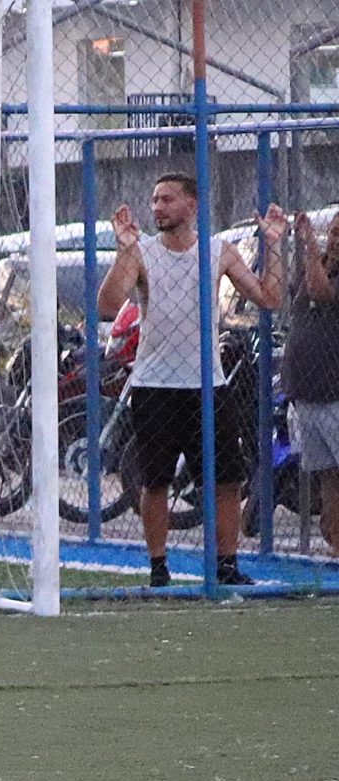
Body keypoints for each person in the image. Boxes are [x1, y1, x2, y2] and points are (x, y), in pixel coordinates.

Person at [96, 174, 284, 587]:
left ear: (191, 205)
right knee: (156, 479)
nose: (158, 207)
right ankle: (159, 568)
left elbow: (270, 298)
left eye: (167, 199)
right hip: (155, 385)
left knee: (228, 477)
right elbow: (108, 307)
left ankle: (226, 565)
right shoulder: (143, 252)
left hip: (207, 385)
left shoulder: (218, 251)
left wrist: (272, 243)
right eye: (154, 199)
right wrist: (123, 252)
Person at [272, 206, 337, 555]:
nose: (336, 240)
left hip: (334, 393)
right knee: (326, 474)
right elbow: (295, 294)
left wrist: (310, 244)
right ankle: (334, 539)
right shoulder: (323, 265)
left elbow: (319, 293)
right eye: (335, 232)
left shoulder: (324, 274)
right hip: (307, 393)